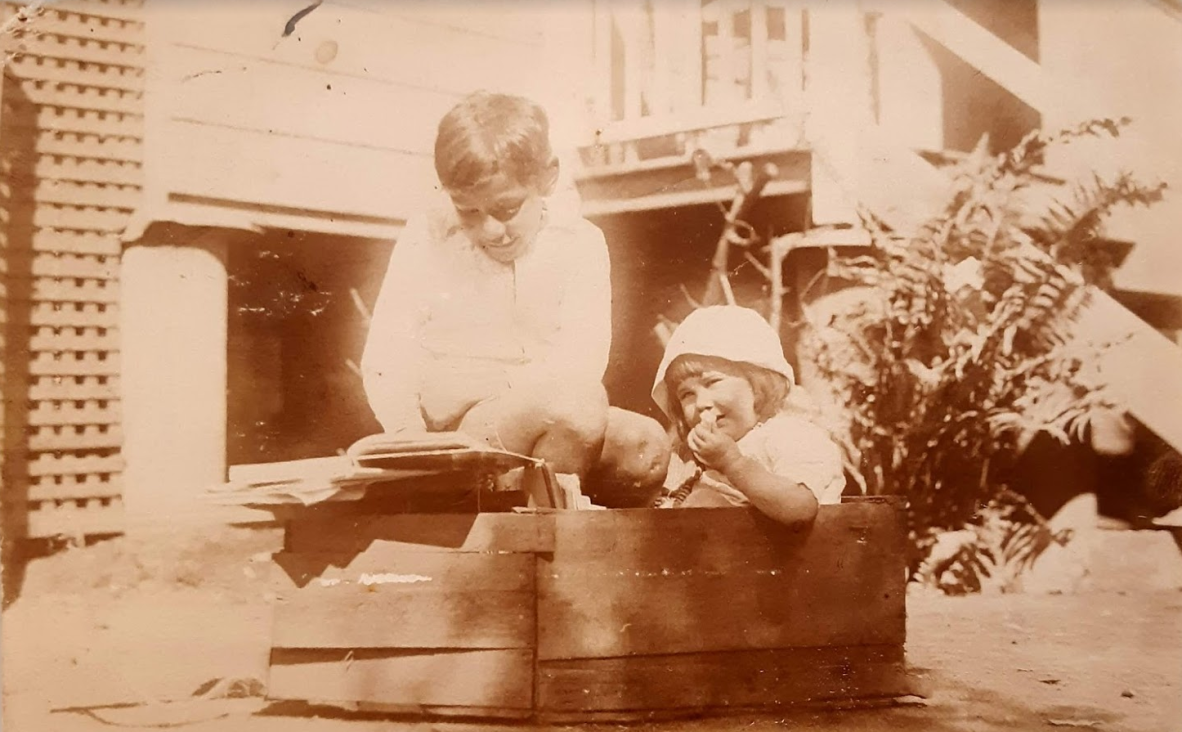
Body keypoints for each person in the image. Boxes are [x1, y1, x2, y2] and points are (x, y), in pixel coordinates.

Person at [360, 91, 668, 503]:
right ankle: (533, 533)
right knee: (571, 406)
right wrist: (407, 435)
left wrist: (472, 382)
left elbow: (580, 364)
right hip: (456, 434)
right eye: (468, 211)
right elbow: (387, 356)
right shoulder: (428, 238)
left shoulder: (580, 243)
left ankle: (542, 513)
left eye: (506, 208)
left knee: (643, 443)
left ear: (547, 179)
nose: (489, 230)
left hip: (547, 423)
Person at [651, 305, 845, 524]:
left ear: (758, 385)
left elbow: (800, 507)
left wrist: (732, 463)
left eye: (713, 382)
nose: (701, 403)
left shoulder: (792, 434)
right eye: (686, 394)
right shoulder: (707, 458)